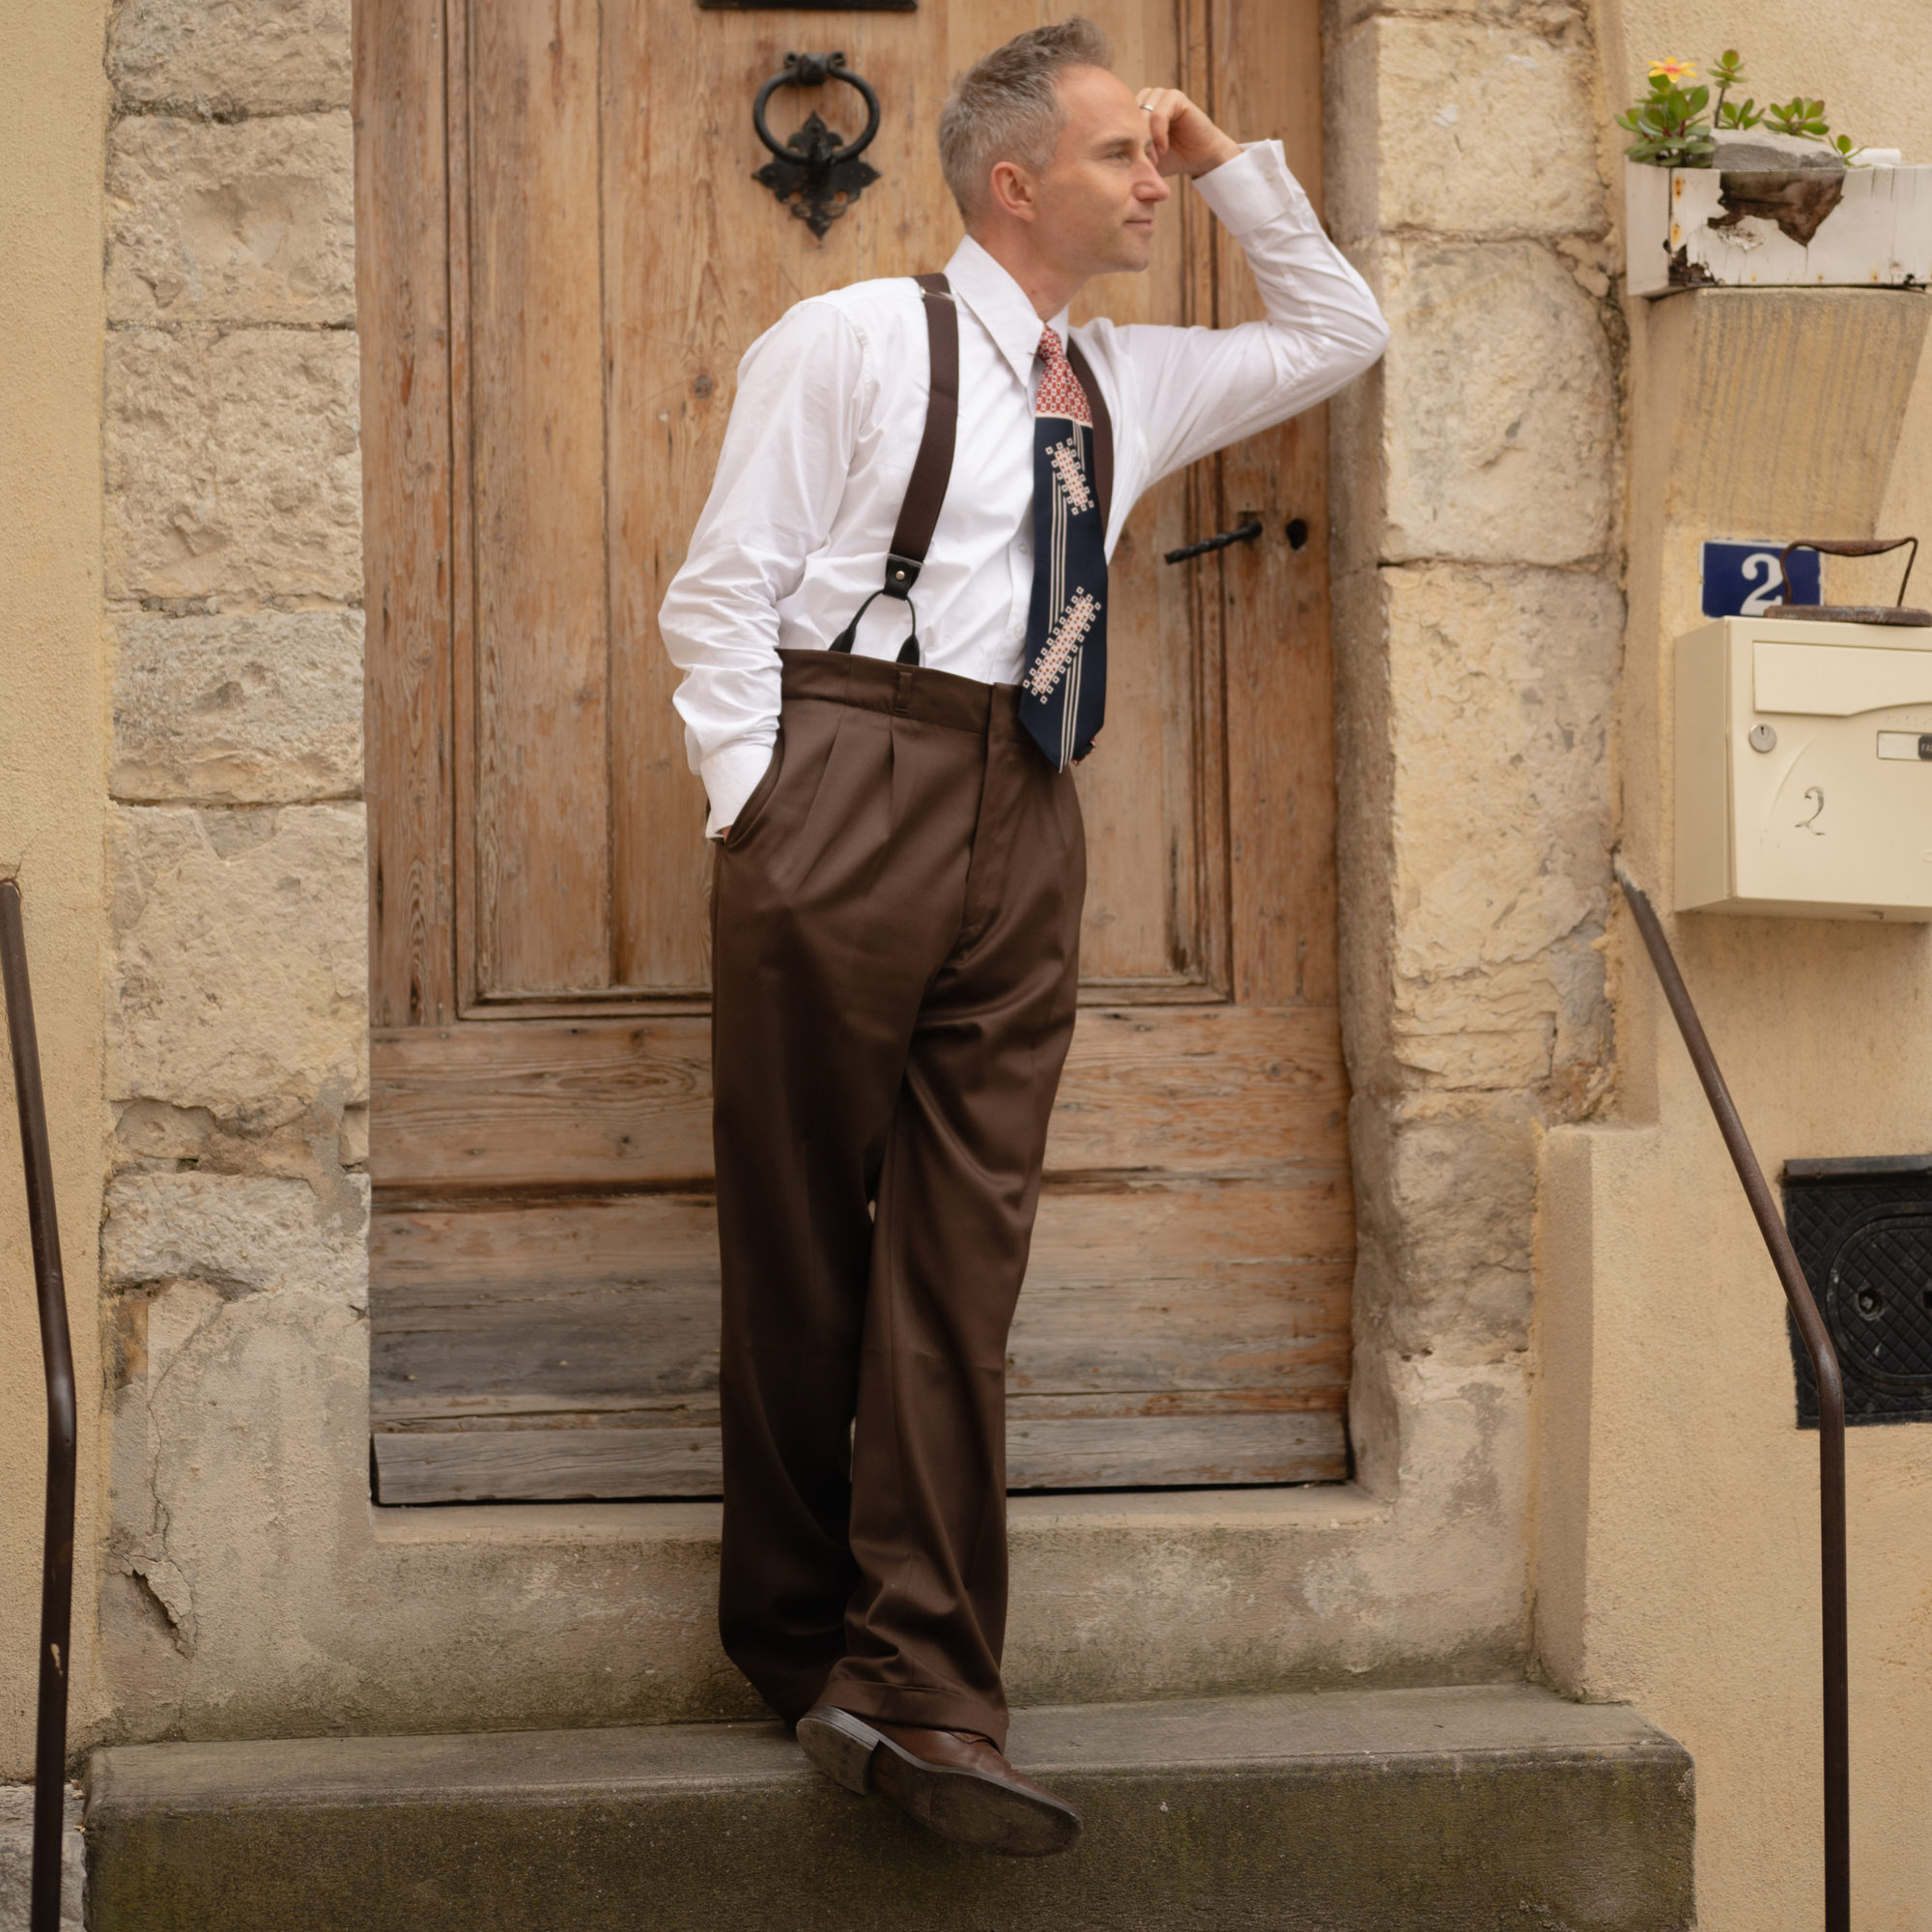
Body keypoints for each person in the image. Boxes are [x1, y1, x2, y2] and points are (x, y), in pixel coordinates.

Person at [659, 17, 1387, 1858]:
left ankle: (936, 1694)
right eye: (1125, 157)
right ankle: (801, 1651)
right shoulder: (848, 342)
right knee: (809, 1247)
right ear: (1012, 182)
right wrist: (762, 807)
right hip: (844, 781)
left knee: (962, 1273)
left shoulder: (1121, 377)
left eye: (1157, 162)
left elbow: (1340, 333)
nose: (1152, 182)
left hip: (1026, 806)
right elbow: (723, 587)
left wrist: (1231, 158)